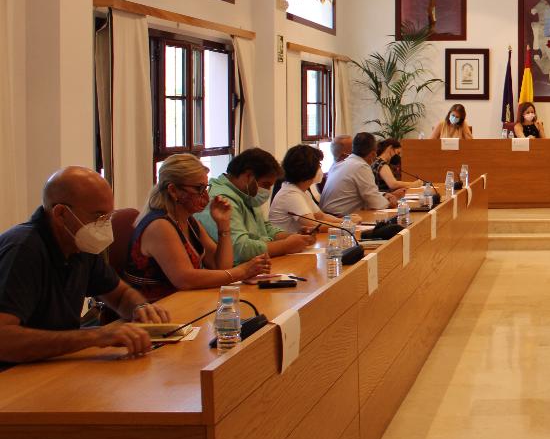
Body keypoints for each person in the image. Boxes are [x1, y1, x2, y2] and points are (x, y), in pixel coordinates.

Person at [0, 167, 174, 362]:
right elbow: (4, 341)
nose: (105, 226)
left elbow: (120, 295)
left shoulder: (78, 244)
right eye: (99, 217)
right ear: (61, 214)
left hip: (55, 363)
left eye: (108, 217)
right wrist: (95, 336)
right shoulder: (23, 250)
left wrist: (139, 308)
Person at [125, 155, 269, 302]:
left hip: (183, 303)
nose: (206, 196)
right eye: (198, 188)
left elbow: (220, 266)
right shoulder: (159, 225)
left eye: (206, 187)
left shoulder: (189, 220)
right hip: (157, 311)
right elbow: (185, 279)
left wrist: (223, 224)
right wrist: (242, 271)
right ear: (173, 190)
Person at [195, 148, 316, 263]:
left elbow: (265, 228)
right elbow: (239, 249)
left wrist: (295, 238)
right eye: (266, 184)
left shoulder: (246, 194)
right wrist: (285, 246)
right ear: (248, 176)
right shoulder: (221, 200)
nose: (268, 190)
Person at [320, 132, 401, 215]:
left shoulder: (340, 164)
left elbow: (364, 192)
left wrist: (384, 195)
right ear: (373, 153)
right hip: (341, 218)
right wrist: (390, 202)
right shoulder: (361, 166)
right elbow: (374, 202)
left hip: (328, 216)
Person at [271, 145, 342, 233]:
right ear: (308, 169)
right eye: (319, 165)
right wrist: (344, 226)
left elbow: (320, 216)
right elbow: (313, 224)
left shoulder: (302, 191)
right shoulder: (290, 194)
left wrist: (346, 221)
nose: (320, 169)